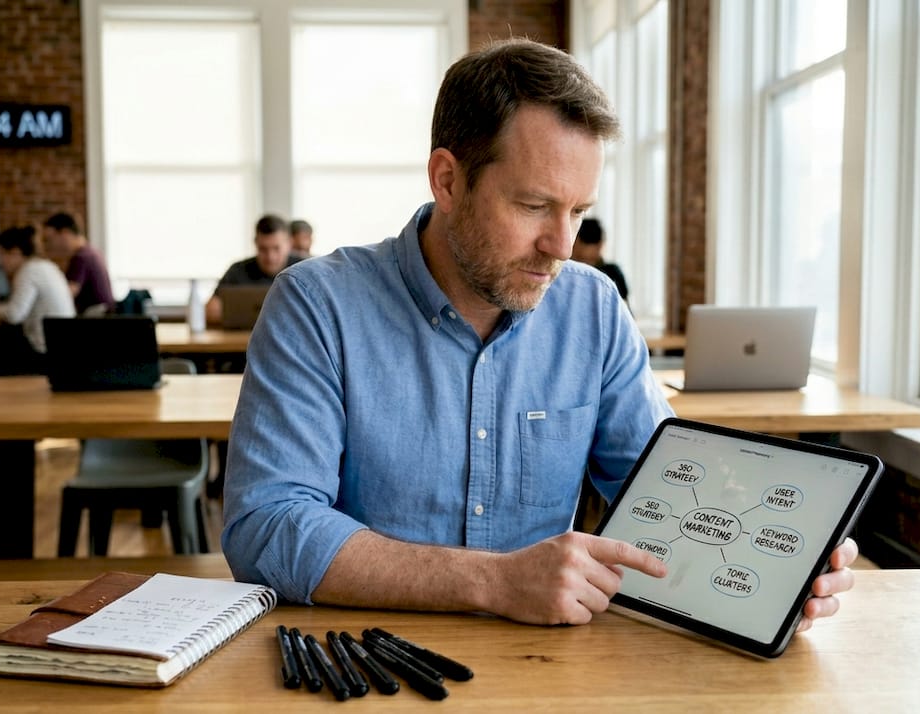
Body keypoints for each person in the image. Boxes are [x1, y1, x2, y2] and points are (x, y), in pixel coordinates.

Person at [221, 38, 859, 628]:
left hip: (556, 666)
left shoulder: (594, 308)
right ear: (448, 179)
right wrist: (493, 581)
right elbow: (267, 528)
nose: (561, 246)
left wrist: (771, 571)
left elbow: (667, 493)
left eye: (579, 211)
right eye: (532, 206)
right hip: (364, 662)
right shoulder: (316, 304)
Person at [0, 226, 75, 372]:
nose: (0, 262)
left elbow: (14, 314)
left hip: (43, 352)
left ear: (15, 252)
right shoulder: (47, 266)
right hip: (63, 349)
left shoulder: (28, 271)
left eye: (1, 254)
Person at [204, 214, 301, 326]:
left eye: (276, 248)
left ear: (289, 243)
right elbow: (210, 311)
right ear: (255, 243)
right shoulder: (237, 270)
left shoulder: (304, 268)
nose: (270, 256)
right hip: (243, 340)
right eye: (263, 249)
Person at [42, 212, 114, 315]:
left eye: (49, 239)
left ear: (65, 233)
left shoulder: (81, 257)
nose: (48, 245)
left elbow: (67, 294)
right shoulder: (91, 252)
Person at [572, 218, 629, 303]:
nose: (600, 247)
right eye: (590, 240)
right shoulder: (564, 271)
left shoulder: (612, 272)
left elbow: (625, 310)